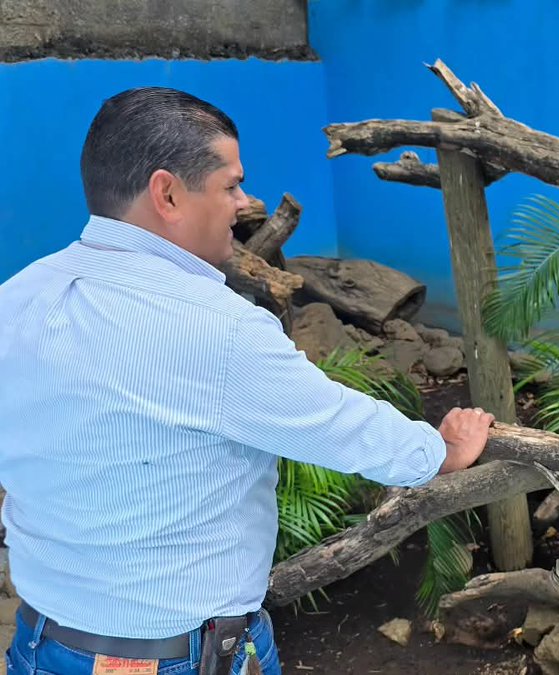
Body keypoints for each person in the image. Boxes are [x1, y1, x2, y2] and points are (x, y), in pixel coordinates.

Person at [0, 86, 495, 675]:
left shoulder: (19, 297)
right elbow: (338, 424)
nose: (245, 201)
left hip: (42, 643)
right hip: (179, 655)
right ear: (167, 193)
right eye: (230, 184)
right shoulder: (217, 328)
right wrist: (438, 451)